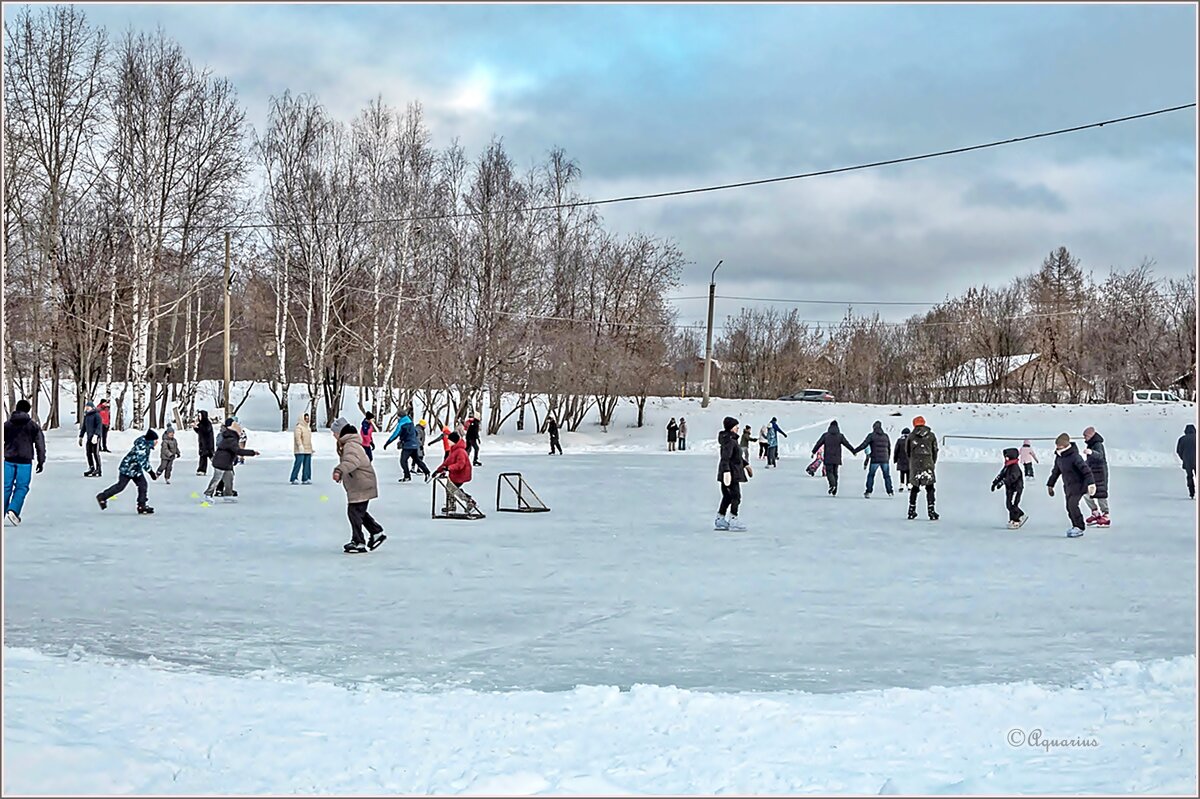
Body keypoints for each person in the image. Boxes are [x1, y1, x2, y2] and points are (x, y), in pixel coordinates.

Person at [331, 417, 385, 554]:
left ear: (341, 432)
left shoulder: (351, 445)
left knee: (354, 512)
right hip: (360, 483)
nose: (333, 435)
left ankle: (359, 541)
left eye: (334, 432)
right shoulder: (350, 443)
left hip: (362, 483)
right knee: (358, 512)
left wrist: (339, 470)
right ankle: (375, 532)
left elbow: (352, 461)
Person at [4, 399, 46, 526]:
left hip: (9, 459)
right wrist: (41, 460)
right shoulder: (32, 426)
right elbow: (40, 444)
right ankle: (13, 509)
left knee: (5, 487)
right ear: (28, 410)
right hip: (25, 461)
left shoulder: (7, 425)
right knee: (22, 487)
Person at [97, 429, 159, 514]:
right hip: (127, 468)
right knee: (120, 486)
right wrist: (151, 473)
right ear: (150, 440)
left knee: (143, 485)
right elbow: (143, 461)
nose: (156, 442)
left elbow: (144, 461)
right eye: (155, 440)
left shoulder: (146, 445)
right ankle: (102, 497)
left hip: (136, 470)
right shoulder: (142, 447)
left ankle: (142, 505)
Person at [1047, 432, 1096, 538]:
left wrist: (1091, 484)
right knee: (1069, 507)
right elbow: (1056, 472)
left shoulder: (1075, 457)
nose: (1057, 447)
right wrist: (1050, 485)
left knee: (1072, 506)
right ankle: (1075, 526)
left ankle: (1079, 527)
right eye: (1057, 445)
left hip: (1079, 485)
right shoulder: (1059, 457)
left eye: (1059, 445)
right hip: (1068, 486)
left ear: (1065, 445)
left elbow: (1086, 471)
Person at [204, 419, 259, 501]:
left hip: (227, 463)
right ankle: (208, 494)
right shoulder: (231, 439)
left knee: (229, 478)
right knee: (216, 479)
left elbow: (233, 452)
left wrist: (235, 459)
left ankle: (228, 494)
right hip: (220, 463)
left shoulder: (232, 438)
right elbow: (238, 450)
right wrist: (252, 452)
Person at [715, 416, 752, 531]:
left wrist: (746, 465)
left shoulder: (731, 439)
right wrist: (727, 472)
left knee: (727, 496)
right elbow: (725, 458)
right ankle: (733, 519)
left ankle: (720, 518)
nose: (738, 428)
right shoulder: (730, 441)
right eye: (736, 426)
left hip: (730, 472)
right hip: (731, 474)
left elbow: (737, 457)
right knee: (736, 496)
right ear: (731, 428)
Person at [433, 431, 478, 515]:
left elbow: (460, 465)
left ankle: (469, 502)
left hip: (462, 474)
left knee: (452, 489)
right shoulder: (454, 450)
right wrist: (438, 470)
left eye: (449, 440)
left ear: (454, 441)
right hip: (456, 474)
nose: (448, 442)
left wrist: (449, 468)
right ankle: (452, 505)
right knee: (450, 488)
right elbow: (446, 463)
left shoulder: (460, 451)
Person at [905, 416, 939, 520]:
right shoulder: (931, 436)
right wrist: (932, 462)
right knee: (930, 488)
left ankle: (911, 510)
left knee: (915, 487)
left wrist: (912, 461)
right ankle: (931, 510)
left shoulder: (911, 436)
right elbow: (935, 450)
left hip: (915, 463)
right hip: (928, 463)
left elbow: (907, 451)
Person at [384, 411, 430, 483]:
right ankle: (427, 472)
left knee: (403, 461)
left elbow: (395, 434)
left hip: (408, 445)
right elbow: (416, 432)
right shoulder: (411, 423)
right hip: (414, 445)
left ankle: (407, 476)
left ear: (400, 417)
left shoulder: (402, 424)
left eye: (398, 417)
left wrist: (387, 443)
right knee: (417, 460)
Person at [811, 420, 855, 495]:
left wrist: (813, 451)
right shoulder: (840, 436)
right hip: (837, 458)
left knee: (829, 472)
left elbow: (818, 443)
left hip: (828, 457)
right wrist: (853, 451)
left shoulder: (825, 435)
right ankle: (835, 490)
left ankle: (832, 485)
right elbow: (846, 444)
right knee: (835, 473)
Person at [856, 420, 894, 498]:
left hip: (875, 459)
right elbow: (889, 448)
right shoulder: (886, 436)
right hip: (885, 459)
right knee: (887, 476)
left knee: (871, 475)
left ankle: (868, 491)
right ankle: (890, 491)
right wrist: (888, 457)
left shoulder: (871, 436)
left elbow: (864, 445)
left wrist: (855, 450)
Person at [990, 447, 1026, 529]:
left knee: (1014, 505)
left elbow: (1012, 478)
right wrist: (994, 483)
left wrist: (1002, 483)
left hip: (1016, 488)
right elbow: (1001, 475)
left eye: (1007, 456)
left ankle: (1018, 517)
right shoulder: (1007, 466)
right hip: (1009, 488)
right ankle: (1012, 519)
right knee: (1008, 505)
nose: (1005, 458)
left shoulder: (1015, 467)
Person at [1082, 426, 1110, 527]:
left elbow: (1099, 456)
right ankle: (1095, 513)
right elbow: (1090, 460)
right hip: (1092, 472)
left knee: (1100, 494)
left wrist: (1091, 452)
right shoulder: (1091, 444)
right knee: (1086, 492)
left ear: (1091, 436)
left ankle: (1106, 515)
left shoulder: (1098, 444)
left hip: (1100, 472)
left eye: (1085, 436)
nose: (1084, 438)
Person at [78, 401, 104, 477]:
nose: (86, 408)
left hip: (95, 437)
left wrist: (96, 435)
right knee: (88, 453)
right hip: (89, 437)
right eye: (86, 407)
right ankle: (91, 467)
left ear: (92, 408)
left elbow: (99, 426)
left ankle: (98, 469)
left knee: (95, 453)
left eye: (88, 407)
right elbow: (84, 427)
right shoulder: (87, 416)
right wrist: (81, 436)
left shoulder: (96, 415)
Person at [291, 412, 314, 485]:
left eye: (308, 419)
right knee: (298, 464)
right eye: (305, 419)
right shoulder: (299, 427)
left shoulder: (308, 428)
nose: (307, 420)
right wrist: (300, 446)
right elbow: (298, 438)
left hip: (307, 449)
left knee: (307, 464)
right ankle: (294, 478)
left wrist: (311, 449)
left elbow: (308, 440)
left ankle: (306, 478)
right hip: (300, 450)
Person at [1177, 424, 1196, 499]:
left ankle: (1192, 493)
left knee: (1190, 476)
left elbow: (1179, 451)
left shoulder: (1182, 439)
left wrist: (1183, 458)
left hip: (1187, 461)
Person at [194, 410, 215, 475]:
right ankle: (201, 470)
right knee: (204, 457)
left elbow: (206, 430)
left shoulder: (207, 423)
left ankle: (220, 467)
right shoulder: (201, 424)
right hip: (202, 444)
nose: (199, 417)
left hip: (208, 444)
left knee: (208, 456)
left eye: (200, 416)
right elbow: (200, 432)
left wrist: (199, 427)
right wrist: (195, 428)